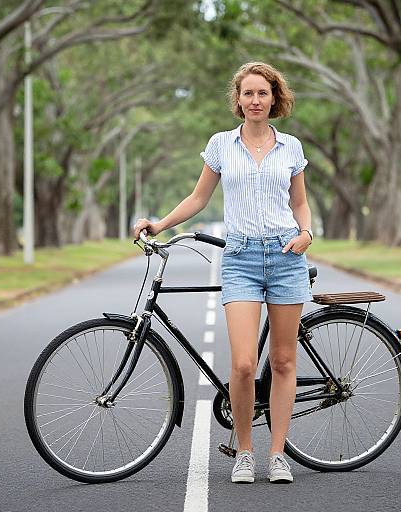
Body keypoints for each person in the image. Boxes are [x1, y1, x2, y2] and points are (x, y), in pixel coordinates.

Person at [133, 62, 313, 484]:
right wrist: (159, 224)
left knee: (284, 361)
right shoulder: (220, 145)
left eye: (263, 94)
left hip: (287, 257)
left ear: (274, 99)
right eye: (248, 94)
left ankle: (278, 454)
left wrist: (306, 232)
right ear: (238, 99)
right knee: (245, 363)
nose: (255, 101)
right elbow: (199, 197)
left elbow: (301, 203)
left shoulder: (290, 147)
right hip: (241, 260)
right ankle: (244, 451)